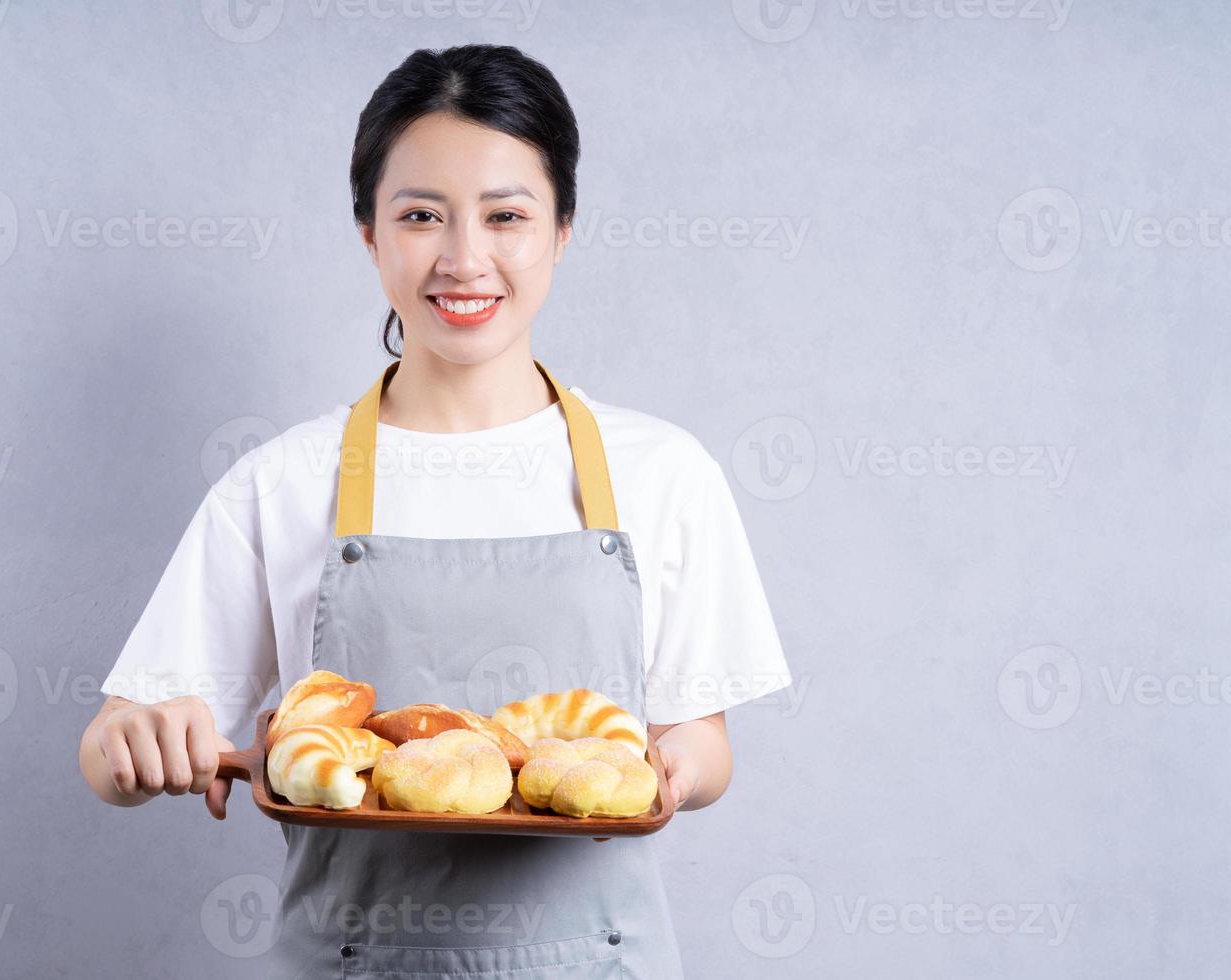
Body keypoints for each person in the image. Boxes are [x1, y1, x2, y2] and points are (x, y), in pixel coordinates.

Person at [78, 43, 792, 979]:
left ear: (563, 228)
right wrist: (132, 743)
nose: (464, 259)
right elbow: (110, 751)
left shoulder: (664, 472)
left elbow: (704, 738)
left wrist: (672, 773)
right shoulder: (280, 484)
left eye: (507, 216)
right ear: (369, 233)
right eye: (421, 215)